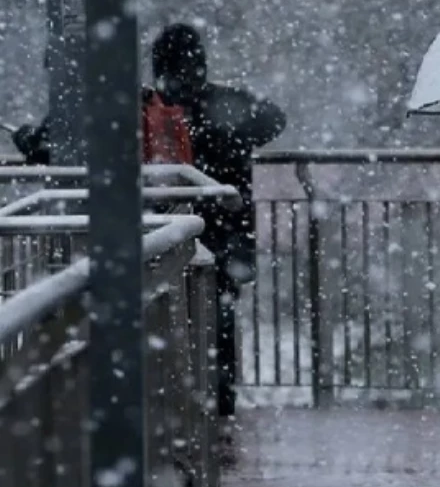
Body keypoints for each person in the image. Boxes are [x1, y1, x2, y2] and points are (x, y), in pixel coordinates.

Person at [12, 22, 286, 423]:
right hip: (224, 234)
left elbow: (52, 141)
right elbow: (273, 120)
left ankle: (171, 408)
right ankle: (217, 404)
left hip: (161, 232)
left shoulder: (143, 108)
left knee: (165, 318)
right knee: (218, 321)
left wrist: (30, 139)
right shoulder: (226, 106)